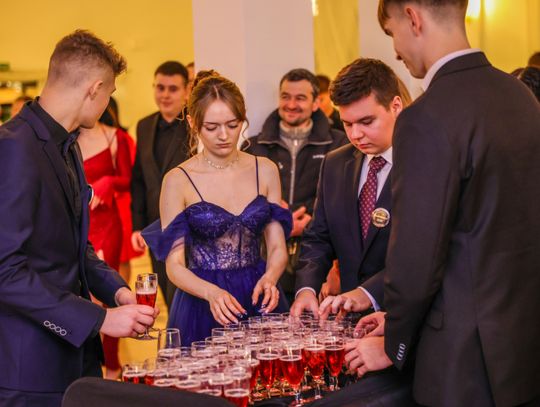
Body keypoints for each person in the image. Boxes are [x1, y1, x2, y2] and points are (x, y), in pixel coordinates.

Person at [343, 1, 540, 406]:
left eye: (391, 32)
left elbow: (417, 254)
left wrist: (394, 340)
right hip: (523, 346)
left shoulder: (425, 117)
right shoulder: (521, 97)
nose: (396, 50)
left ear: (413, 18)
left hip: (461, 361)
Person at [0, 30, 157, 407]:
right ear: (95, 89)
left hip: (77, 359)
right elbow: (6, 270)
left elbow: (76, 246)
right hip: (31, 367)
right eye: (109, 93)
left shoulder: (67, 145)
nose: (106, 104)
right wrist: (100, 320)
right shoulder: (13, 148)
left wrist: (117, 291)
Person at [142, 72, 292, 346]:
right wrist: (210, 293)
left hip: (258, 292)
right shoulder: (178, 180)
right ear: (193, 122)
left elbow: (277, 247)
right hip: (202, 300)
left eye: (233, 125)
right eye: (212, 127)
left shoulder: (265, 170)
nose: (224, 135)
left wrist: (271, 277)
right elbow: (174, 266)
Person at [291, 58, 410, 318]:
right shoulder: (335, 163)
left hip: (404, 316)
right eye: (347, 124)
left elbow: (421, 253)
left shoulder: (423, 163)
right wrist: (307, 289)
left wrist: (368, 293)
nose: (355, 134)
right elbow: (318, 237)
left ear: (395, 106)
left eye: (366, 121)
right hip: (347, 319)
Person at [243, 68, 347, 305]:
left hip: (318, 259)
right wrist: (277, 220)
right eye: (285, 96)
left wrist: (306, 222)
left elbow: (342, 200)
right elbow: (240, 197)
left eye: (300, 98)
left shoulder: (339, 143)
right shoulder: (254, 145)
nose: (291, 104)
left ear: (316, 103)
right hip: (264, 258)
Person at [77, 102, 135, 379]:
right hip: (80, 224)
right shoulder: (68, 140)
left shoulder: (115, 138)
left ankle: (113, 364)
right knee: (82, 294)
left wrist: (109, 182)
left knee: (107, 289)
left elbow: (129, 180)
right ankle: (88, 365)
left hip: (107, 224)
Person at [131, 61, 192, 309]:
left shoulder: (194, 126)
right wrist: (138, 226)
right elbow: (139, 179)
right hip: (154, 227)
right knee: (164, 296)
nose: (165, 95)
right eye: (160, 87)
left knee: (182, 298)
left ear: (187, 91)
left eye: (173, 89)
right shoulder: (144, 125)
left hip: (187, 228)